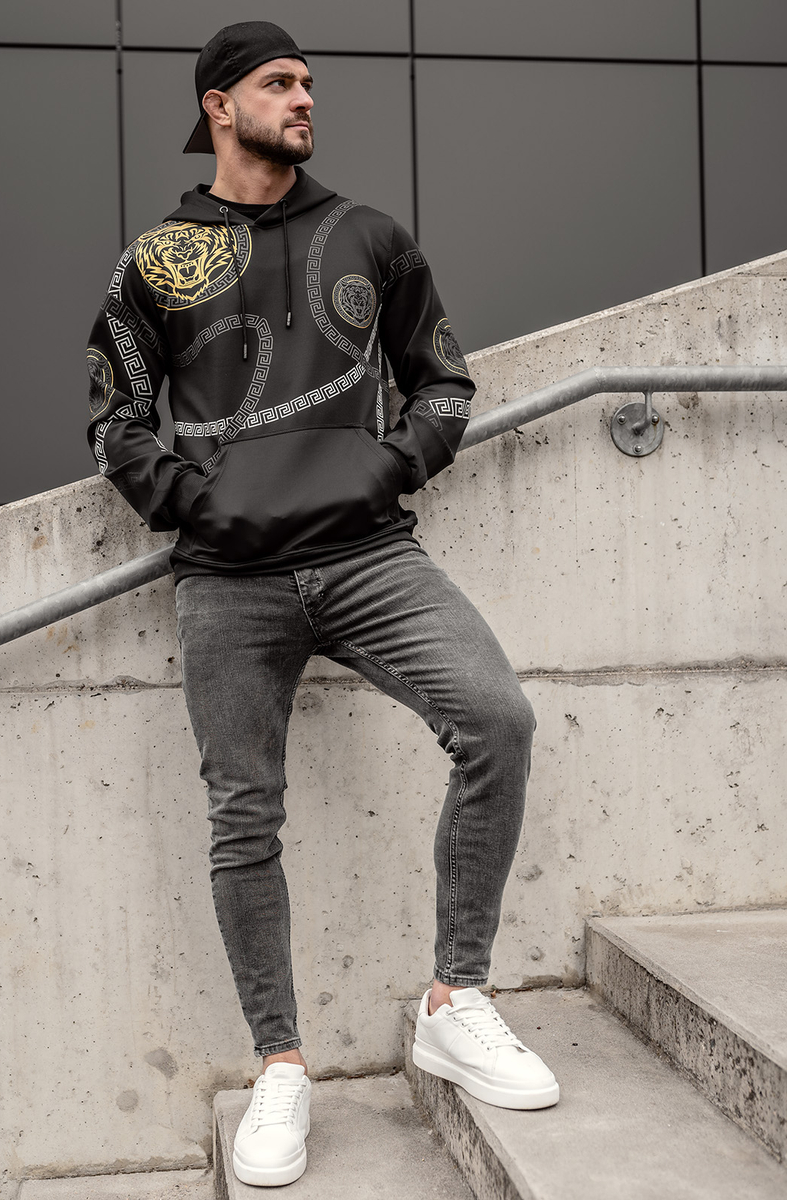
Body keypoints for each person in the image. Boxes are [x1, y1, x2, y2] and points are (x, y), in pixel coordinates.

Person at [87, 21, 558, 1188]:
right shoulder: (154, 261)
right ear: (218, 105)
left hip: (369, 557)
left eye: (308, 82)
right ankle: (281, 1066)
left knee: (496, 720)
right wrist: (196, 505)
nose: (304, 98)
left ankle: (454, 999)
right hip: (226, 581)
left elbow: (444, 381)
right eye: (278, 82)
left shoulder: (373, 237)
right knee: (243, 818)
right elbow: (116, 417)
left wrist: (384, 468)